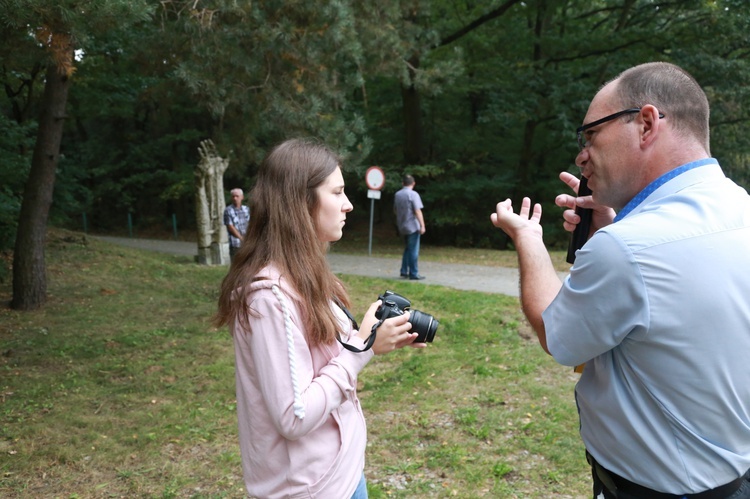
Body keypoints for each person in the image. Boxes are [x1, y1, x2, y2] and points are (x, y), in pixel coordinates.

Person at [490, 62, 750, 498]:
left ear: (646, 123)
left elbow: (559, 337)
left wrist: (529, 238)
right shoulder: (739, 207)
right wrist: (609, 230)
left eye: (590, 134)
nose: (581, 154)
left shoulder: (628, 248)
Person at [214, 138, 425, 499]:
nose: (348, 204)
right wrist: (363, 350)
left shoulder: (304, 273)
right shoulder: (269, 297)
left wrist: (373, 336)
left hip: (342, 474)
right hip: (311, 489)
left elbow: (325, 360)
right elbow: (294, 415)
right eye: (338, 192)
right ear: (300, 202)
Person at [394, 174, 426, 280]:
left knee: (407, 248)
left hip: (402, 226)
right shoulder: (413, 194)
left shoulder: (397, 195)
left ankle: (403, 271)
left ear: (403, 183)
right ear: (413, 183)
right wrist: (422, 225)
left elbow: (395, 210)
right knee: (413, 250)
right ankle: (414, 273)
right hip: (413, 226)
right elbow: (417, 210)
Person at [223, 187, 250, 259]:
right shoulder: (228, 210)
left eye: (237, 196)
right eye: (233, 196)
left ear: (242, 197)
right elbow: (230, 226)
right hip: (235, 243)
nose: (235, 198)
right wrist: (241, 238)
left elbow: (250, 223)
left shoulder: (246, 209)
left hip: (248, 242)